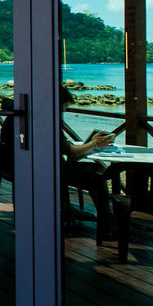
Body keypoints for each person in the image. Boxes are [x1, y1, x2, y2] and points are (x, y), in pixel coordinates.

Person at [59, 86, 117, 230]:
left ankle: (68, 209)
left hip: (38, 168)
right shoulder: (47, 122)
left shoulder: (33, 117)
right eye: (64, 107)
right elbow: (71, 151)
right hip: (52, 173)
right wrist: (94, 144)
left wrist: (89, 146)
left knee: (93, 168)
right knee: (97, 173)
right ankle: (107, 219)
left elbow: (66, 149)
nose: (64, 111)